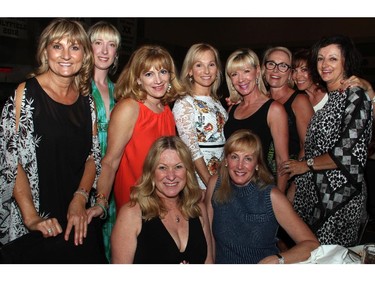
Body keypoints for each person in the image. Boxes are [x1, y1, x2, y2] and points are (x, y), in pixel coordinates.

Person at [0, 18, 106, 263]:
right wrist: (31, 218)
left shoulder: (86, 100)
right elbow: (9, 160)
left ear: (85, 54)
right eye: (58, 46)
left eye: (75, 47)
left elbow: (93, 156)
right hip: (37, 223)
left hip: (78, 219)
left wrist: (80, 198)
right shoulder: (24, 95)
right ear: (45, 51)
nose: (66, 55)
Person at [281, 34, 373, 247]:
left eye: (332, 58)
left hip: (339, 201)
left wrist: (305, 165)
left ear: (346, 61)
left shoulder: (355, 95)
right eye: (320, 58)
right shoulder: (334, 98)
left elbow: (348, 155)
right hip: (317, 198)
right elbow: (315, 148)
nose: (324, 64)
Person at [87, 44, 184, 222]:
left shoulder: (166, 110)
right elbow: (110, 162)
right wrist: (101, 202)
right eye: (149, 74)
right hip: (136, 205)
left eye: (163, 72)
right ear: (138, 79)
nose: (158, 80)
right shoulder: (129, 108)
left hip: (164, 203)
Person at [205, 129, 319, 264]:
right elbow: (208, 236)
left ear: (257, 164)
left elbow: (312, 244)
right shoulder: (215, 185)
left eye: (248, 158)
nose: (240, 166)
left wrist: (279, 259)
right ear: (225, 161)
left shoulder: (271, 196)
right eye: (234, 157)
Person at [111, 136, 213, 264]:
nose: (171, 176)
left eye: (178, 167)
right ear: (151, 171)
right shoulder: (131, 214)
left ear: (187, 171)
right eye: (162, 168)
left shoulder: (198, 209)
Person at [223, 48, 289, 193]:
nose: (241, 79)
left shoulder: (274, 109)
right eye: (235, 74)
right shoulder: (232, 109)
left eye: (246, 71)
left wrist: (279, 201)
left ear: (257, 71)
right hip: (231, 189)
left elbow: (282, 161)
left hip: (260, 188)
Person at [172, 43, 227, 194]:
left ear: (217, 70)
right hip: (200, 182)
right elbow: (191, 149)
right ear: (190, 70)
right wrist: (210, 184)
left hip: (222, 177)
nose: (206, 71)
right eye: (199, 65)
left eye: (211, 64)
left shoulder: (217, 102)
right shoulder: (184, 102)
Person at [87, 20, 121, 263]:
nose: (104, 50)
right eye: (98, 43)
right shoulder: (77, 86)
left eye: (111, 45)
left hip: (115, 175)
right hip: (84, 176)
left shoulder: (119, 90)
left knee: (114, 243)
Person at [262, 46, 314, 163]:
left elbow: (308, 147)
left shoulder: (299, 101)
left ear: (290, 73)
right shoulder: (259, 100)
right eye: (271, 64)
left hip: (291, 176)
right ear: (264, 68)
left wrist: (298, 178)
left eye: (283, 66)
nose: (276, 70)